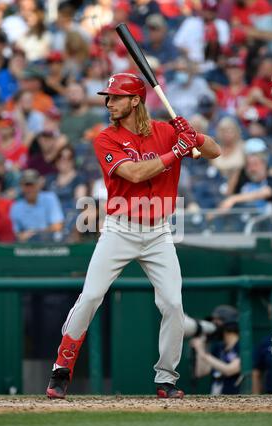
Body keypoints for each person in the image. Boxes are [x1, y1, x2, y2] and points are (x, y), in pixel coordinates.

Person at [46, 72, 221, 399]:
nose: (108, 103)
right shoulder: (105, 138)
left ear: (135, 100)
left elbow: (215, 151)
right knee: (91, 296)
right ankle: (61, 368)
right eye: (108, 97)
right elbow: (136, 173)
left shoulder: (166, 131)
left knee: (172, 303)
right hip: (120, 228)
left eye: (115, 97)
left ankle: (166, 379)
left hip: (159, 231)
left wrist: (192, 135)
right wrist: (175, 152)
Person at [190, 305, 241, 395]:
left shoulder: (242, 346)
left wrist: (203, 355)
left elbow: (230, 370)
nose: (214, 324)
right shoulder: (219, 347)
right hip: (217, 398)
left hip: (236, 398)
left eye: (217, 321)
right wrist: (201, 347)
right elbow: (201, 372)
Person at [10, 168, 64, 242]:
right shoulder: (16, 207)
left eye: (32, 185)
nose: (29, 189)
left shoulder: (50, 198)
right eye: (26, 185)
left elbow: (58, 226)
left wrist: (36, 234)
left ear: (38, 185)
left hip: (50, 243)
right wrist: (22, 236)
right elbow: (15, 233)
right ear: (21, 186)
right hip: (28, 247)